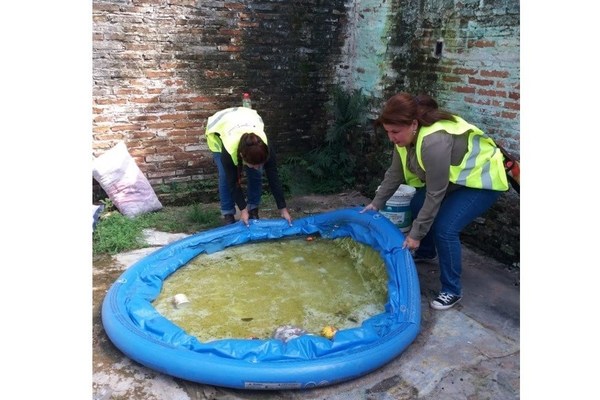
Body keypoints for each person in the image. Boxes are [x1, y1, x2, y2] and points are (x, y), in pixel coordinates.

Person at [361, 92, 509, 310]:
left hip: (482, 182)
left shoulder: (433, 142)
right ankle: (427, 251)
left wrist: (415, 234)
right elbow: (395, 173)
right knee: (416, 202)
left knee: (445, 229)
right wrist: (376, 204)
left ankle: (452, 290)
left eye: (395, 132)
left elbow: (435, 194)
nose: (392, 138)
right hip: (456, 181)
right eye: (388, 132)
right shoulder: (405, 138)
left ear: (413, 124)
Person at [205, 106, 292, 226]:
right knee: (225, 176)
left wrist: (283, 209)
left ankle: (253, 209)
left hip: (246, 118)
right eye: (253, 164)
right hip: (218, 131)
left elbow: (274, 178)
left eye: (259, 164)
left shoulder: (265, 147)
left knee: (256, 173)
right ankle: (228, 213)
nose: (257, 166)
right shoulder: (229, 149)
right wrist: (242, 210)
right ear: (242, 156)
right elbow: (233, 182)